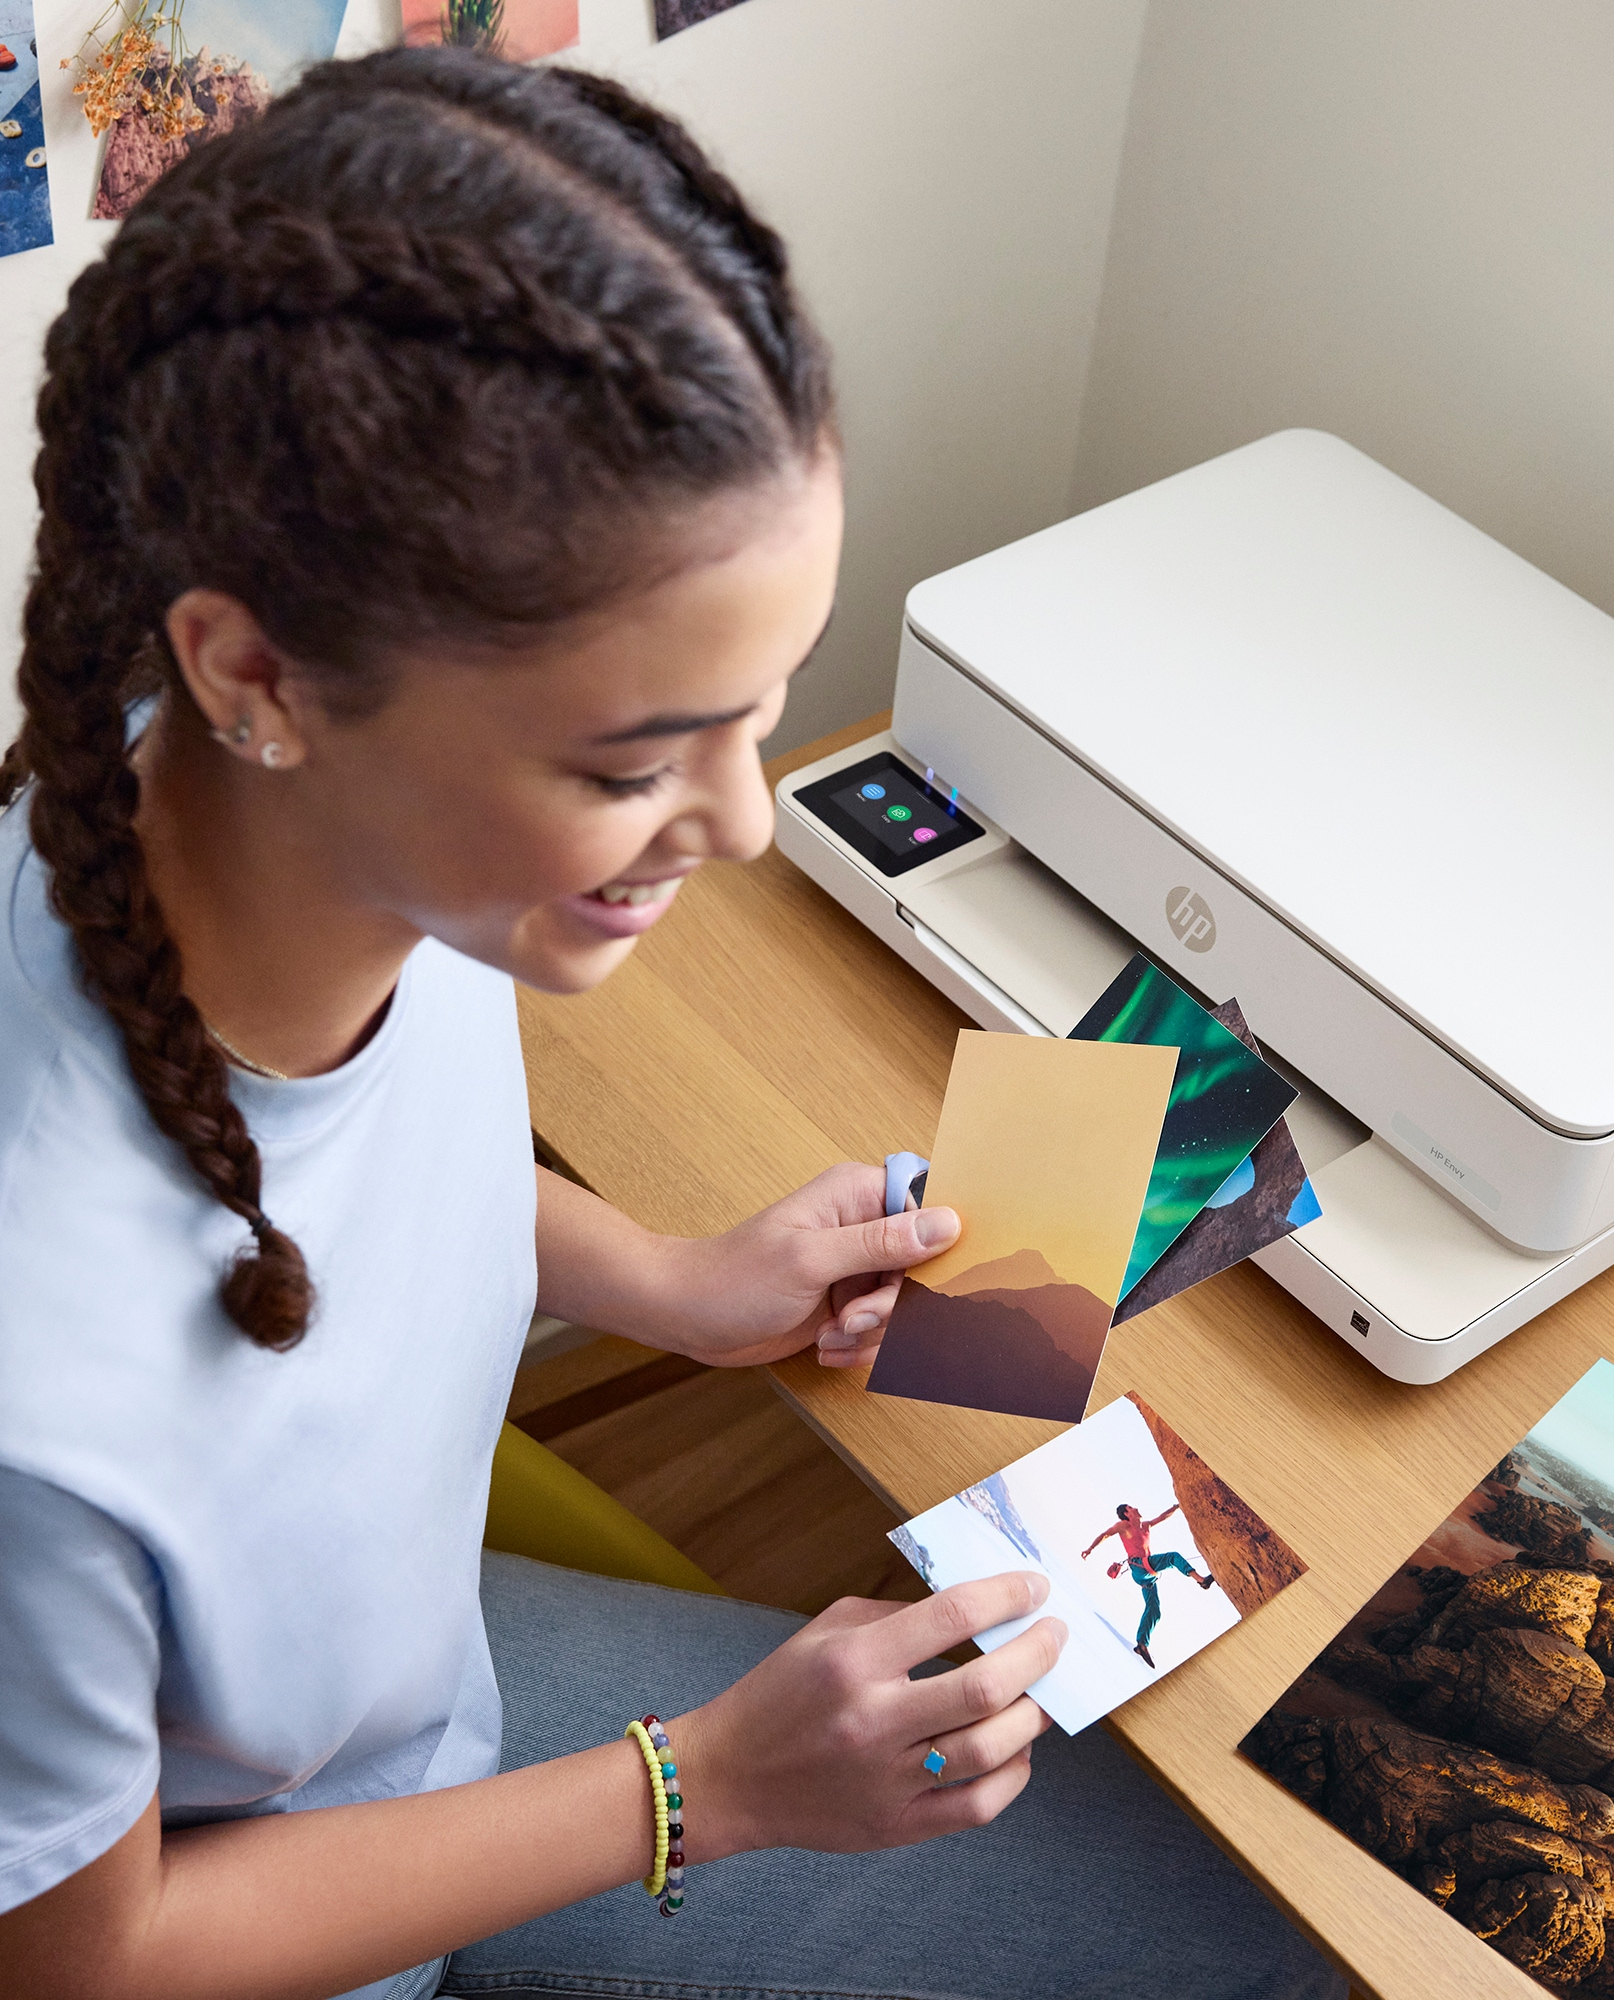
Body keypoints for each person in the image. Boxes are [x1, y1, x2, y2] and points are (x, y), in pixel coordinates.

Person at [0, 45, 1341, 2000]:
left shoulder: (281, 835)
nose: (736, 818)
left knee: (1247, 1939)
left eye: (761, 697)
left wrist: (673, 1280)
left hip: (405, 1706)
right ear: (259, 674)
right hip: (217, 1911)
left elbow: (313, 1174)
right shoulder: (35, 1387)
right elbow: (83, 1959)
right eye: (637, 760)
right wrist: (699, 1784)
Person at [1082, 1503, 1215, 1668]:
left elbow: (1162, 1517)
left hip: (1148, 1576)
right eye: (1131, 1507)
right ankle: (1201, 1580)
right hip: (1139, 1566)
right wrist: (1090, 1549)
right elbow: (1105, 1534)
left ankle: (1141, 1644)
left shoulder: (1145, 1525)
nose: (1135, 1508)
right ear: (1126, 1513)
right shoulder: (1124, 1526)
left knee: (1154, 1611)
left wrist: (1176, 1507)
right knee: (1172, 1557)